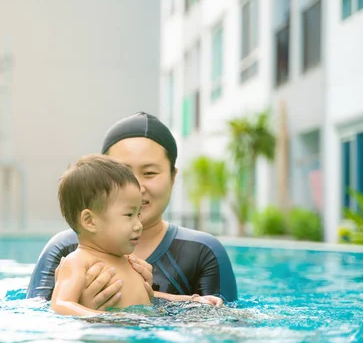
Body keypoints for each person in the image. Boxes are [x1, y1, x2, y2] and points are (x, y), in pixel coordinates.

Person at [28, 112, 238, 309]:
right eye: (124, 175)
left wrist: (190, 301)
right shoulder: (66, 251)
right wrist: (90, 313)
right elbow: (40, 320)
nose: (137, 187)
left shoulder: (203, 251)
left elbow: (224, 331)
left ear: (173, 177)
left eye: (149, 172)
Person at [51, 154, 151, 316]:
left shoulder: (128, 261)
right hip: (105, 336)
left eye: (138, 214)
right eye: (129, 215)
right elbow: (60, 304)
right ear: (90, 221)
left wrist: (188, 300)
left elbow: (140, 296)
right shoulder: (78, 262)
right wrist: (101, 318)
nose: (139, 225)